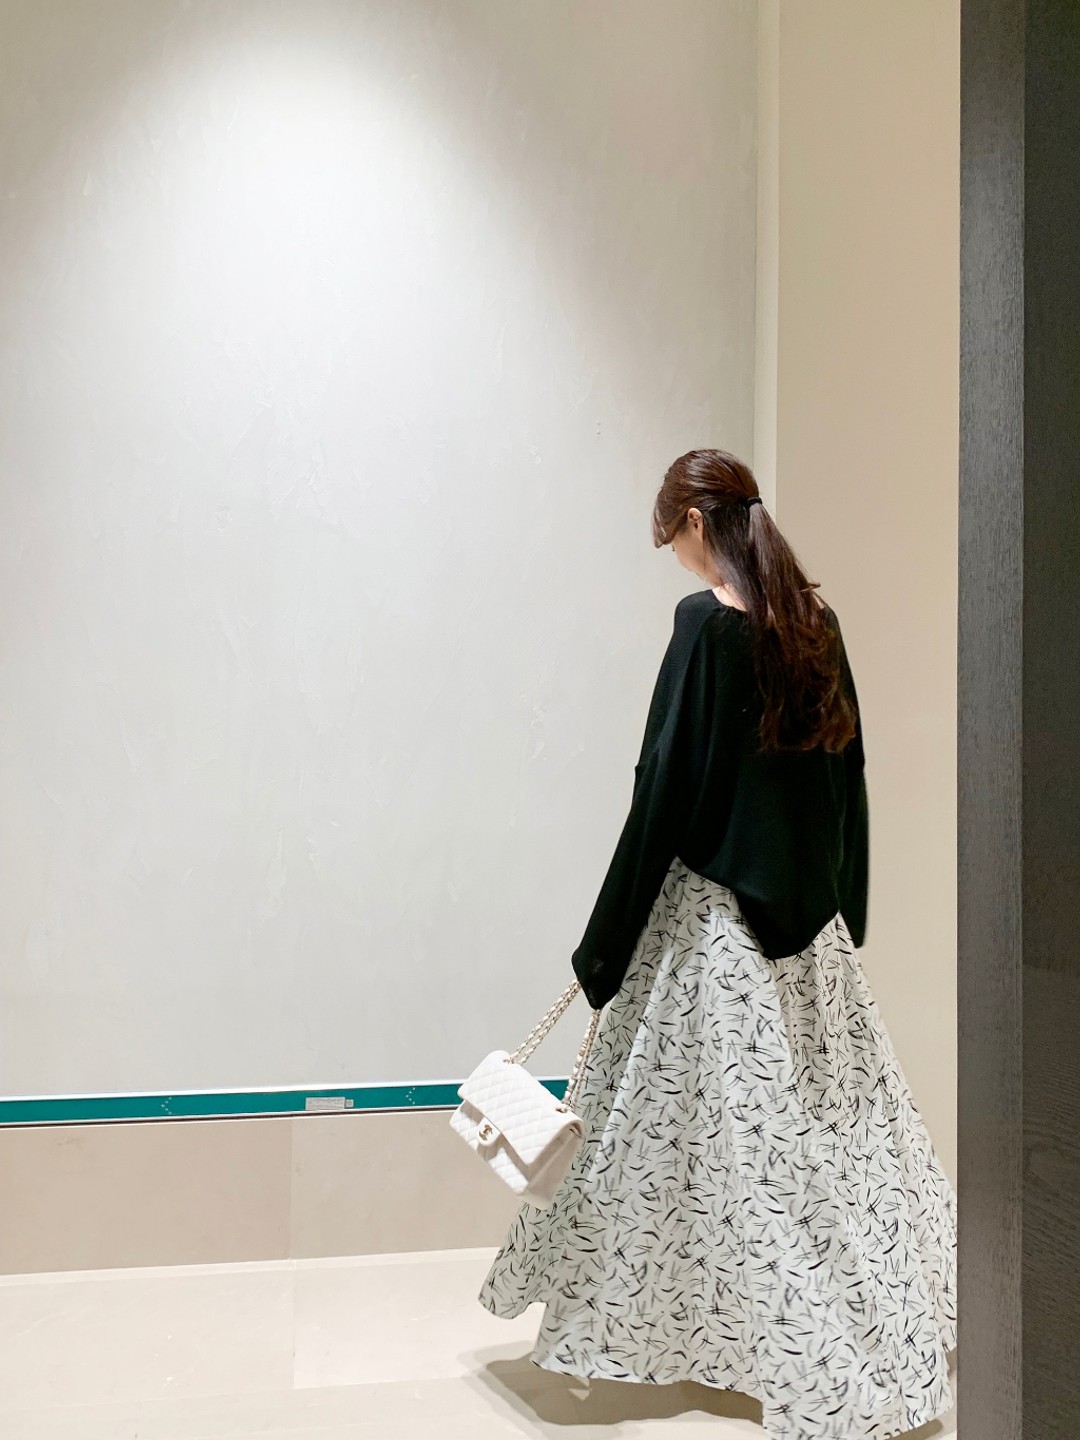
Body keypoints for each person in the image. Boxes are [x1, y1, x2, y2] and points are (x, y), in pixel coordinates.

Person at [478, 449, 957, 1440]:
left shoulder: (704, 625)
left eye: (674, 539)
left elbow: (663, 787)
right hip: (808, 939)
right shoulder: (816, 621)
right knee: (826, 1144)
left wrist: (604, 950)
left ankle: (765, 1344)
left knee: (697, 1155)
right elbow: (847, 774)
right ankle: (866, 1321)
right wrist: (842, 909)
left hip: (712, 933)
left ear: (697, 522)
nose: (679, 559)